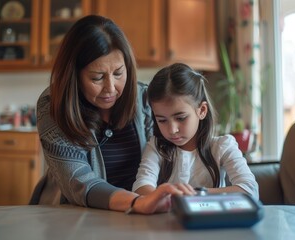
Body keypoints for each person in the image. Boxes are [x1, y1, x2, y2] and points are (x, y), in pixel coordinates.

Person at [29, 15, 195, 214]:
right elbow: (78, 180)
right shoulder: (53, 105)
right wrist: (136, 202)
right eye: (97, 77)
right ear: (74, 76)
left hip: (138, 216)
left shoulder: (144, 98)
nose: (110, 88)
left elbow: (164, 159)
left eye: (118, 73)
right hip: (71, 216)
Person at [132, 63, 259, 199]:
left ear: (202, 110)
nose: (172, 130)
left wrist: (192, 195)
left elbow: (250, 190)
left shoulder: (222, 146)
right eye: (162, 120)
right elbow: (140, 188)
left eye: (181, 118)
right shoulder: (156, 147)